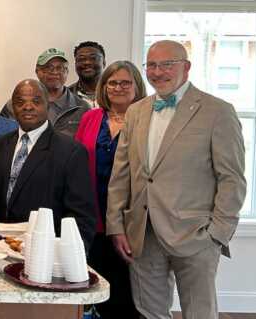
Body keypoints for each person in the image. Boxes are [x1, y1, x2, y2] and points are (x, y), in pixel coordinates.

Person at [107, 40, 246, 319]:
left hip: (196, 235)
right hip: (142, 234)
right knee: (149, 312)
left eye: (167, 64)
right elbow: (121, 174)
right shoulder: (136, 111)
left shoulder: (218, 111)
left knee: (199, 313)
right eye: (152, 65)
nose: (158, 72)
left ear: (186, 67)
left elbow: (232, 179)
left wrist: (217, 234)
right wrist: (116, 226)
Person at [74, 61, 146, 319]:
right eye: (112, 82)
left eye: (125, 82)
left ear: (137, 86)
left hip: (130, 221)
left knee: (127, 294)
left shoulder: (147, 120)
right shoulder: (90, 118)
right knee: (92, 289)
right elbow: (75, 163)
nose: (118, 88)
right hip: (92, 218)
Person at [0, 79, 96, 249]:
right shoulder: (1, 144)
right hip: (1, 247)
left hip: (45, 254)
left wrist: (69, 258)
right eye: (20, 102)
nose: (28, 107)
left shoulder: (71, 151)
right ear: (12, 108)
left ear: (48, 105)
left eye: (36, 101)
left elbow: (81, 216)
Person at [1, 48, 91, 136]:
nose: (55, 72)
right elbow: (6, 139)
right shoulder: (14, 105)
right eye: (48, 68)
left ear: (67, 72)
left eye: (60, 68)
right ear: (37, 71)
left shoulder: (82, 107)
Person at [69, 41, 106, 107]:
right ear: (75, 64)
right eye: (81, 59)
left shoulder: (115, 92)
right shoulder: (66, 96)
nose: (87, 62)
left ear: (104, 63)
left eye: (93, 58)